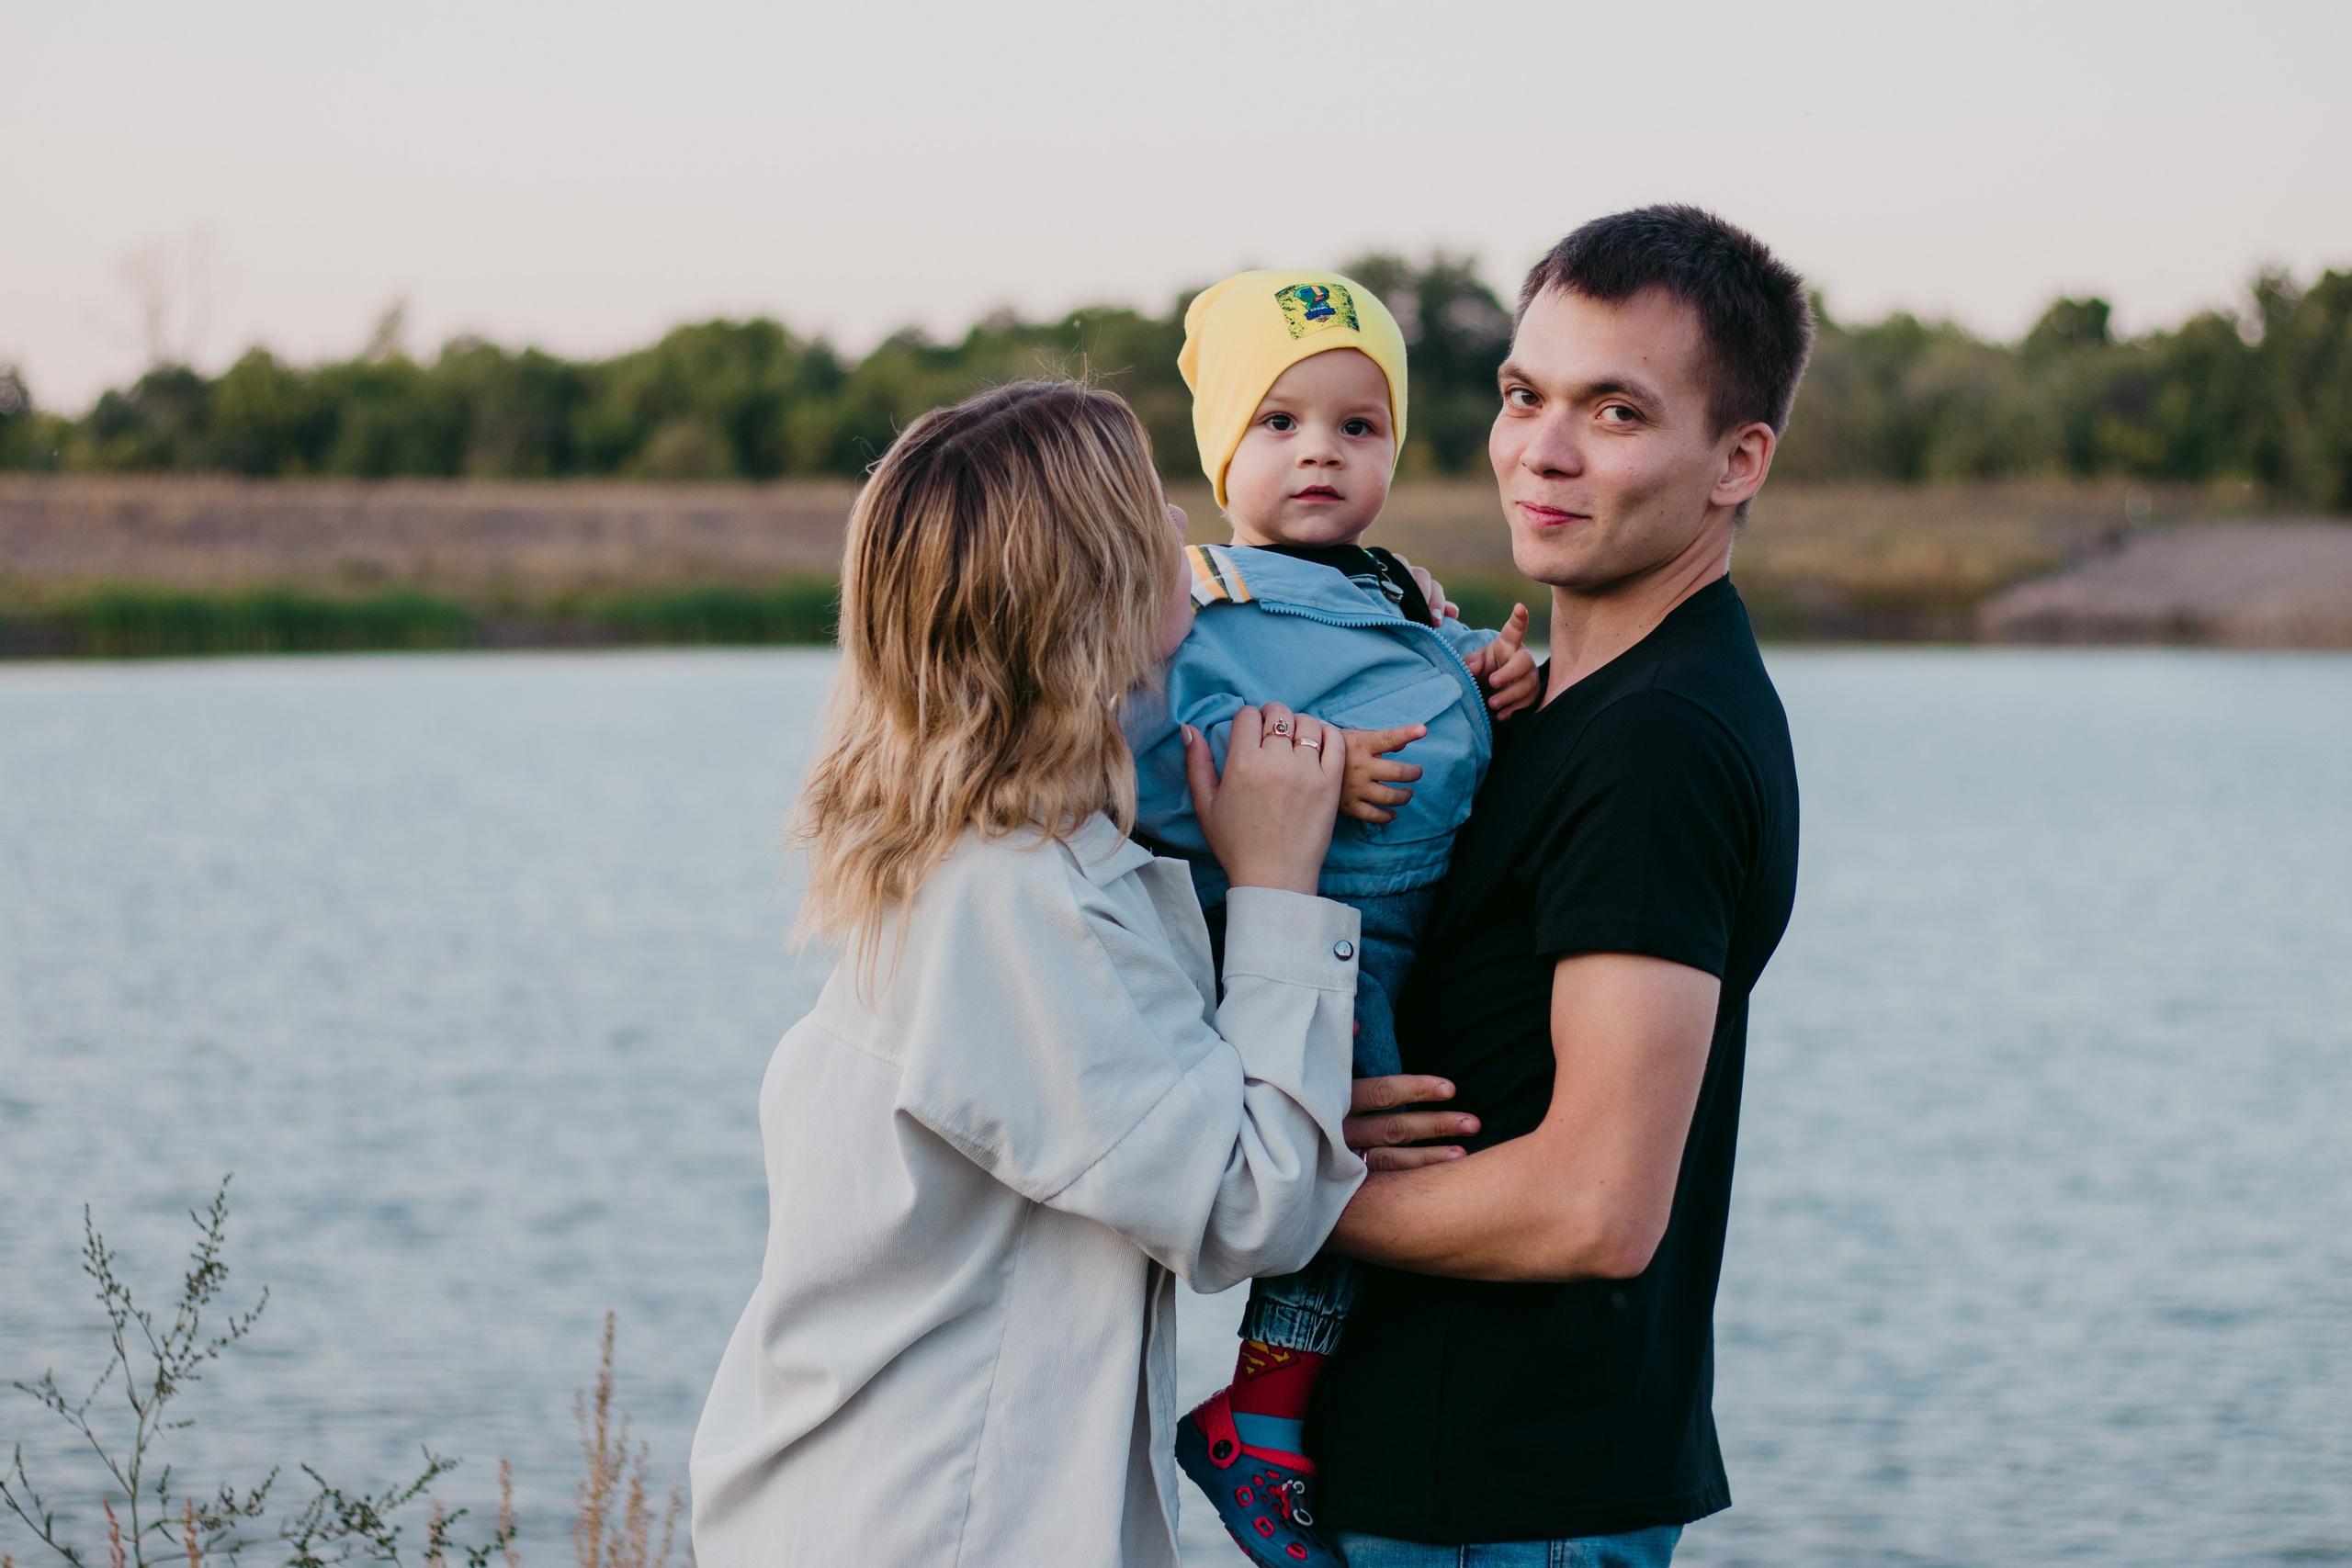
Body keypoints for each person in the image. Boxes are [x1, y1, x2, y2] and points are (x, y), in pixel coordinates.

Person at [688, 380, 1373, 1567]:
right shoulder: (1011, 902)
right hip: (929, 1526)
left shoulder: (982, 855)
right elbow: (1246, 1204)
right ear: (1096, 592)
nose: (1182, 530)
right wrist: (1277, 891)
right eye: (1150, 515)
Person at [1308, 206, 1813, 1566]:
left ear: (1735, 461)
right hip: (1448, 1484)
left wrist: (1268, 1196)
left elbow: (1595, 1204)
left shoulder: (1662, 738)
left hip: (1508, 1506)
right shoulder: (1550, 699)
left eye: (1616, 412)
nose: (1543, 449)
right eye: (1526, 394)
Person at [1121, 269, 1539, 1567]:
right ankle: (1266, 1415)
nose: (1321, 453)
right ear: (1223, 450)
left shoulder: (1399, 592)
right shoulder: (1197, 606)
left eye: (1359, 428)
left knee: (1393, 1146)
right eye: (1280, 423)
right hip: (1311, 938)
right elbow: (1140, 759)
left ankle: (1291, 1408)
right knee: (1354, 1152)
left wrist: (1493, 676)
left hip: (1411, 936)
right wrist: (1300, 770)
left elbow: (1422, 678)